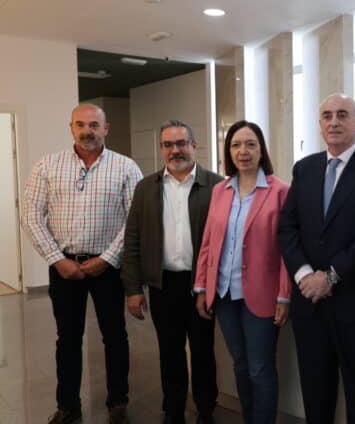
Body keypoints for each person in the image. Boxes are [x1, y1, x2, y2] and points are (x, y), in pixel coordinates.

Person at [277, 93, 355, 423]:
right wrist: (304, 275)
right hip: (310, 305)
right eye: (327, 116)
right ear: (319, 124)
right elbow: (287, 228)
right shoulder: (305, 169)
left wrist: (330, 276)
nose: (334, 122)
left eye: (343, 115)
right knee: (315, 394)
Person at [22, 103, 142, 424]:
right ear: (71, 127)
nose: (87, 131)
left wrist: (107, 258)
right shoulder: (47, 165)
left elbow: (135, 221)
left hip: (108, 269)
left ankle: (118, 402)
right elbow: (31, 216)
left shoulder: (126, 167)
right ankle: (68, 406)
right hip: (64, 268)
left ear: (106, 129)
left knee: (114, 336)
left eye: (94, 125)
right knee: (68, 339)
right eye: (80, 125)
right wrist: (56, 259)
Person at [121, 120, 222, 424]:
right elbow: (132, 240)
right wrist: (133, 289)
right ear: (161, 148)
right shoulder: (145, 188)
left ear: (194, 145)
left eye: (181, 143)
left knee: (203, 351)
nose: (174, 150)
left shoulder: (217, 186)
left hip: (201, 285)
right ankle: (173, 410)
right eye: (167, 144)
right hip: (163, 284)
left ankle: (206, 409)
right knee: (170, 352)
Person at [194, 121, 290, 424]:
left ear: (261, 150)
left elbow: (288, 250)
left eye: (250, 144)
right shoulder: (220, 190)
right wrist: (201, 287)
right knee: (240, 365)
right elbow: (208, 242)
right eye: (236, 145)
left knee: (260, 369)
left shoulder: (280, 191)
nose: (243, 151)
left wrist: (284, 295)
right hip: (223, 294)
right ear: (228, 151)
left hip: (262, 294)